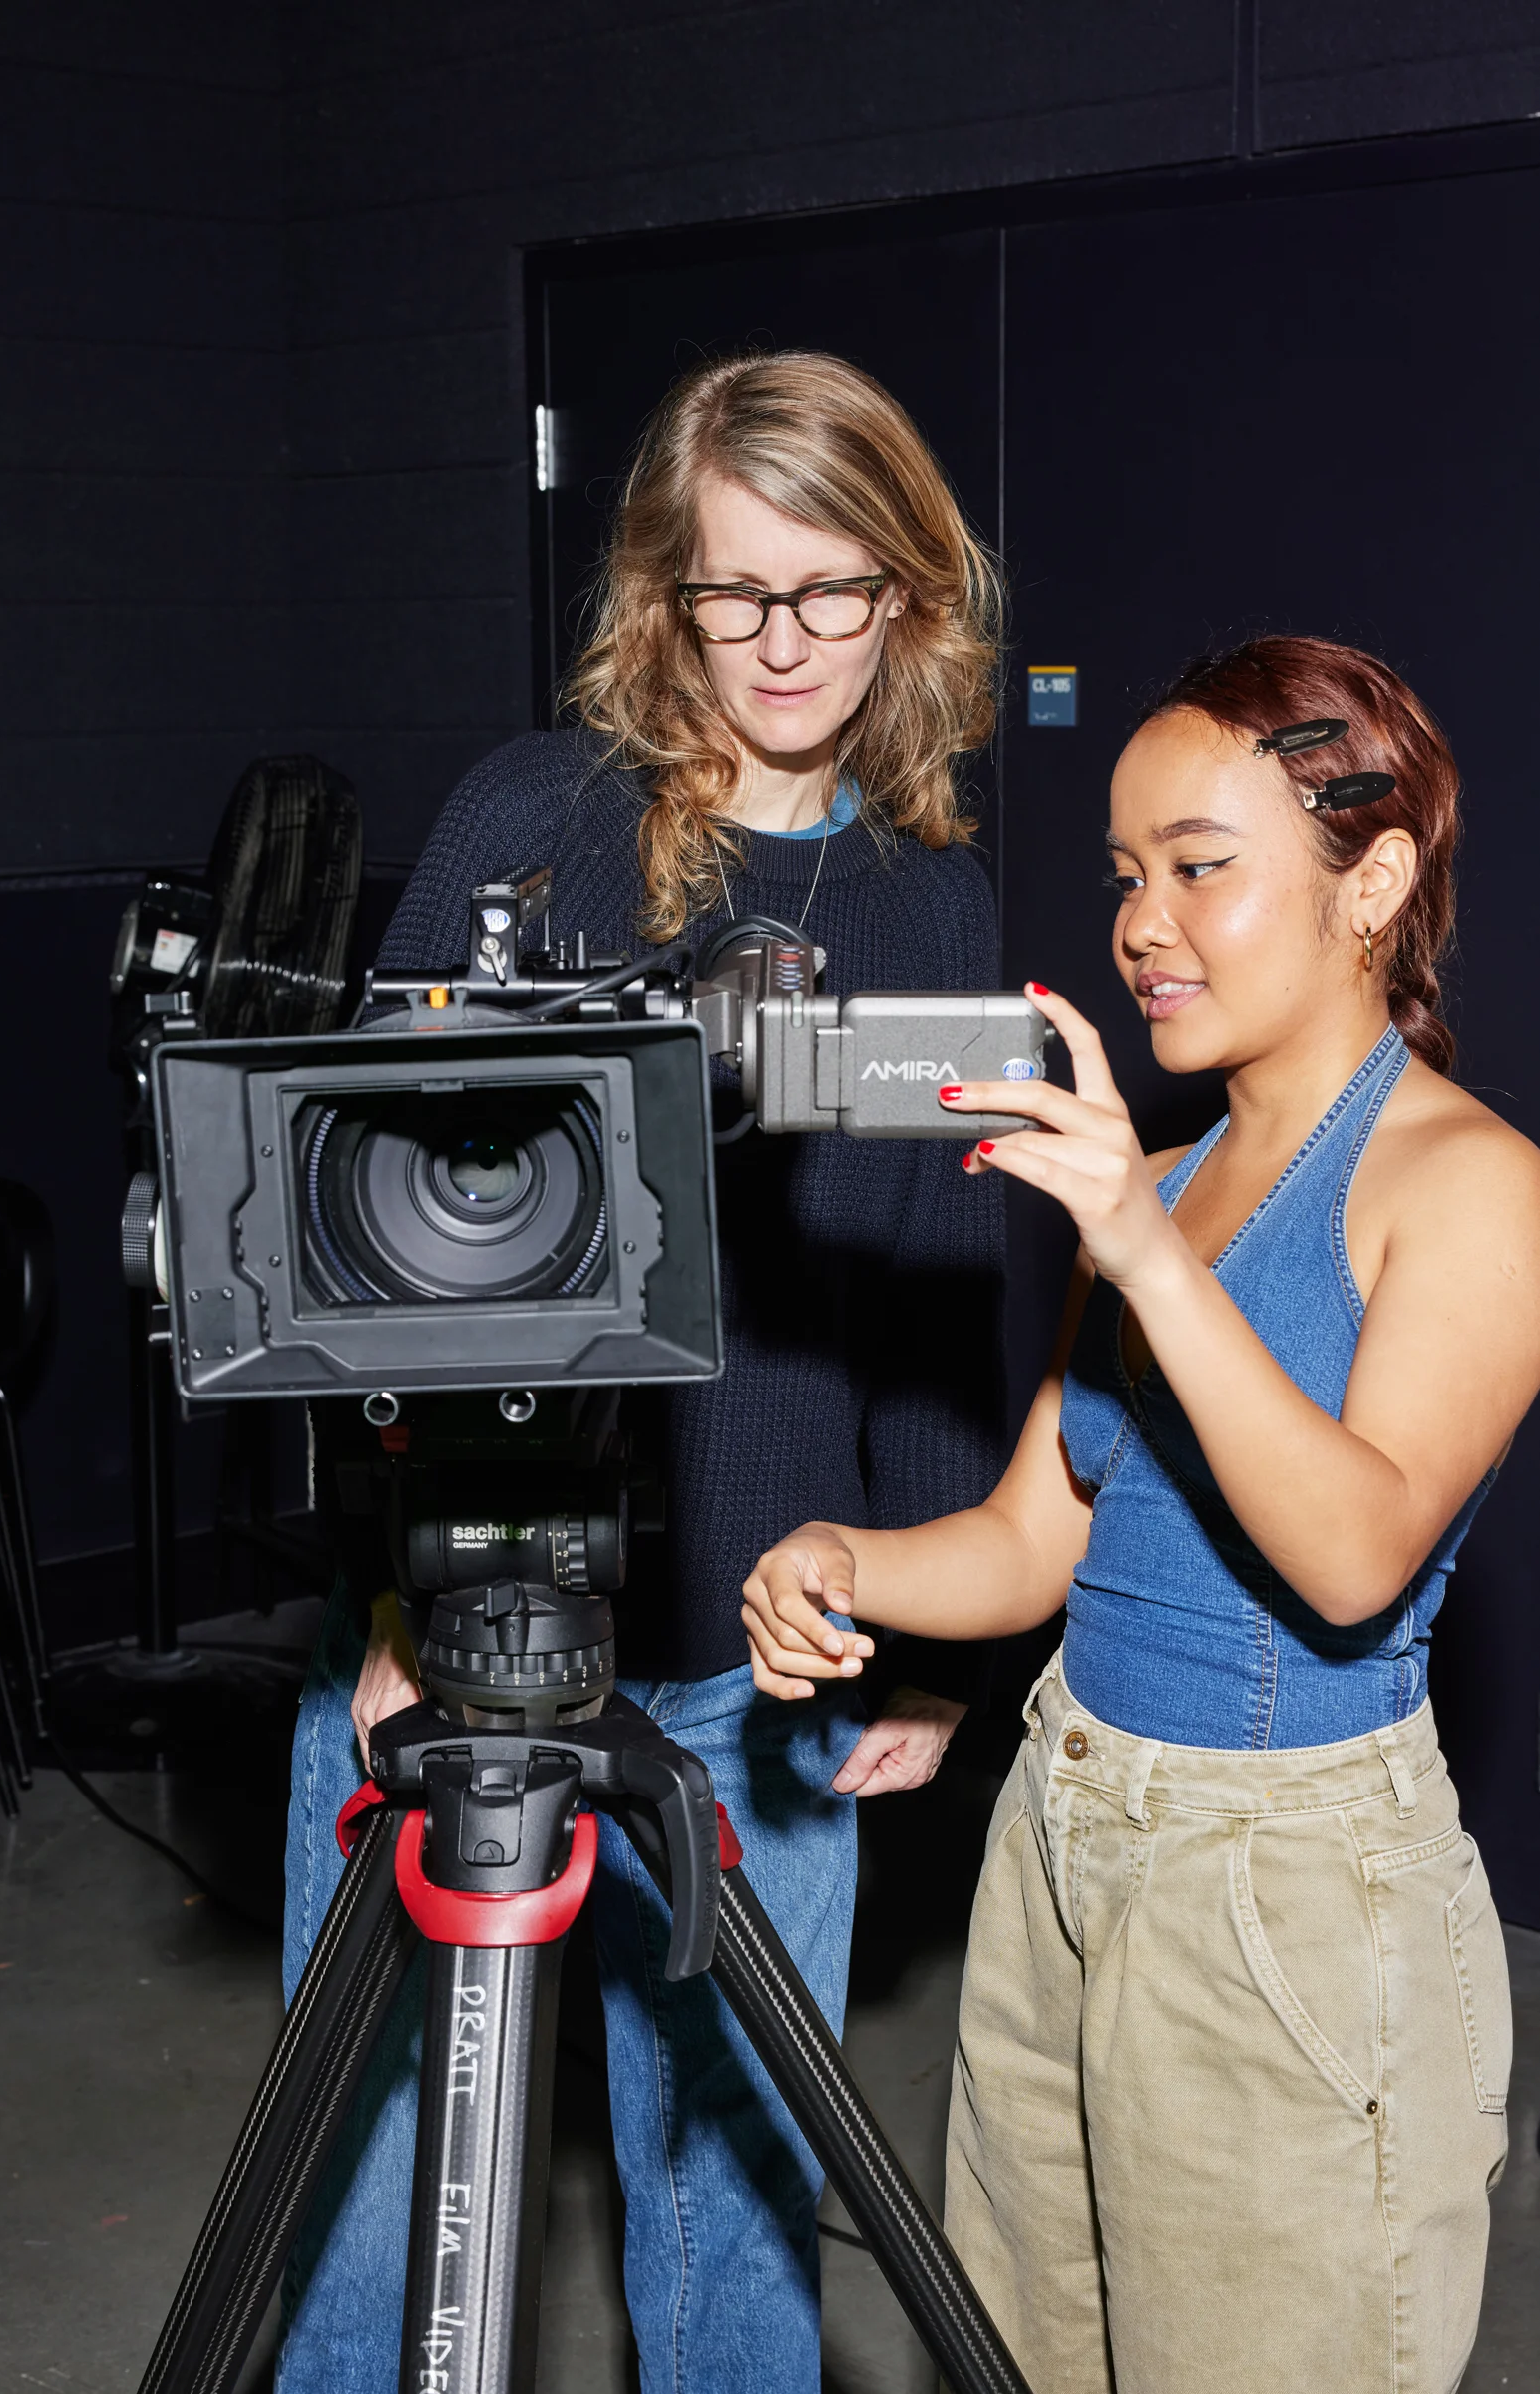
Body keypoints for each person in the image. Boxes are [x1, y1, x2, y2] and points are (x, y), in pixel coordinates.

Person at [279, 351, 1013, 2394]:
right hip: (475, 1600)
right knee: (365, 2186)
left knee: (732, 2189)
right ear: (658, 596)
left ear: (907, 593)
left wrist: (935, 1631)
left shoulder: (925, 889)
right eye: (730, 592)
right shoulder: (530, 816)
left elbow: (936, 1283)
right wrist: (403, 1593)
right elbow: (365, 1240)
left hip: (759, 1645)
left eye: (830, 588)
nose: (781, 645)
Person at [740, 633, 1539, 2394]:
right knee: (1025, 2351)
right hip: (1063, 1833)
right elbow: (1040, 1539)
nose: (1141, 923)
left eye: (1201, 868)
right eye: (1124, 876)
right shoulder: (1161, 1177)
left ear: (1374, 879)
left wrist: (1139, 1254)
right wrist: (838, 1558)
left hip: (1289, 1884)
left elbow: (1354, 1554)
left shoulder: (1473, 1186)